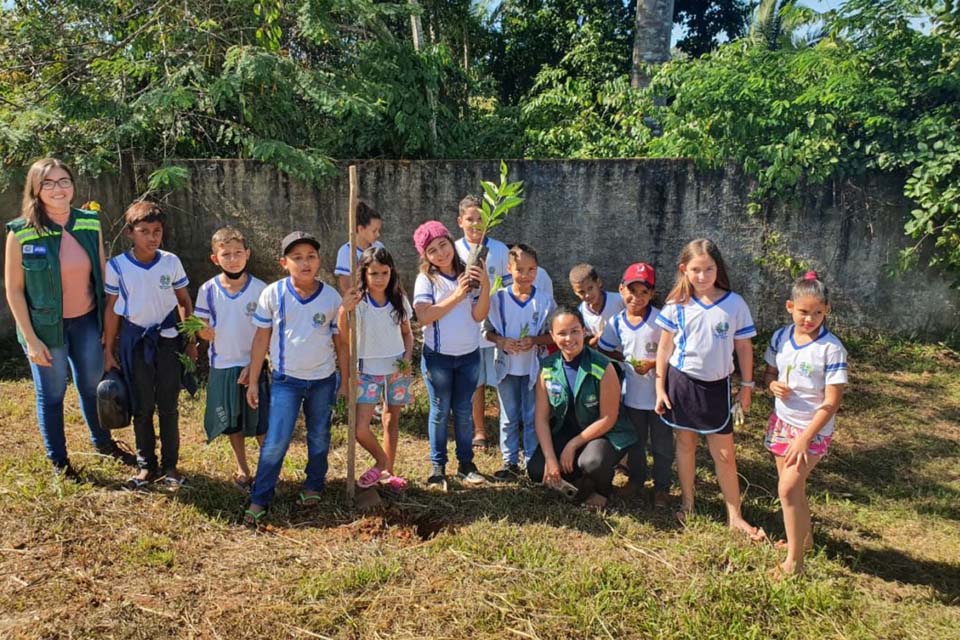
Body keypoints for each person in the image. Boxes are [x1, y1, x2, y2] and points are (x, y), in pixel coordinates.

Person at [4, 157, 134, 480]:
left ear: (73, 186)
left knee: (91, 386)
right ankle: (59, 461)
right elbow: (14, 290)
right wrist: (31, 339)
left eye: (64, 181)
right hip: (44, 329)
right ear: (35, 189)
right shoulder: (21, 233)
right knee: (52, 394)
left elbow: (102, 274)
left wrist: (109, 324)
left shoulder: (89, 222)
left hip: (86, 322)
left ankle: (102, 443)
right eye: (48, 183)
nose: (57, 189)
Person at [243, 231, 356, 525]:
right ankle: (260, 497)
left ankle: (314, 484)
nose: (305, 263)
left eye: (311, 257)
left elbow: (341, 343)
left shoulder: (331, 298)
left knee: (319, 435)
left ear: (319, 260)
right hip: (286, 381)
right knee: (276, 440)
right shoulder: (273, 294)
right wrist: (253, 380)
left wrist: (344, 381)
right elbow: (261, 338)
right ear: (284, 263)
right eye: (297, 258)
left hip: (323, 380)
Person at [653, 238, 763, 541]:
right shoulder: (676, 305)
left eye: (709, 269)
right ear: (684, 270)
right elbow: (664, 349)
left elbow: (744, 348)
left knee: (725, 454)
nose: (702, 276)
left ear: (718, 269)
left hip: (716, 388)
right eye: (696, 270)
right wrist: (660, 387)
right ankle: (687, 503)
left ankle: (735, 515)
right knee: (685, 445)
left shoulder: (734, 304)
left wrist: (747, 386)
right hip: (682, 384)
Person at [103, 201, 197, 490]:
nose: (152, 237)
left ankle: (170, 466)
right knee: (142, 406)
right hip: (135, 342)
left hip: (168, 340)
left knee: (168, 406)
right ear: (130, 232)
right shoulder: (117, 266)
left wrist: (190, 339)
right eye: (144, 231)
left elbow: (184, 300)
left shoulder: (170, 262)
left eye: (157, 231)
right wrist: (109, 350)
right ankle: (146, 466)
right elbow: (112, 309)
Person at [764, 271, 847, 576]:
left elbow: (832, 402)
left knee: (787, 489)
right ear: (790, 307)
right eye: (803, 312)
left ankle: (794, 563)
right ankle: (804, 541)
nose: (809, 319)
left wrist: (805, 438)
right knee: (794, 490)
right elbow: (769, 374)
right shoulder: (780, 338)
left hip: (812, 431)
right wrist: (772, 385)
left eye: (817, 313)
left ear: (827, 311)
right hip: (782, 423)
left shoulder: (831, 349)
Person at [528, 306, 638, 509]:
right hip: (566, 430)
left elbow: (608, 418)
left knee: (593, 462)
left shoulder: (603, 366)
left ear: (584, 331)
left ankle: (602, 490)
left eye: (575, 331)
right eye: (562, 333)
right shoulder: (547, 367)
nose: (569, 338)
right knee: (536, 469)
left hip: (604, 433)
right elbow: (541, 419)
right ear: (552, 336)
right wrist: (551, 459)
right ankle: (580, 482)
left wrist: (573, 445)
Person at [413, 220, 491, 488]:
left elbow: (479, 315)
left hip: (469, 356)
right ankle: (438, 468)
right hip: (439, 358)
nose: (441, 253)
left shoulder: (470, 271)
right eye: (432, 250)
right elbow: (424, 316)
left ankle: (466, 464)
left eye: (443, 245)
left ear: (451, 242)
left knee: (464, 410)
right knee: (440, 411)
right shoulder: (427, 279)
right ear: (425, 256)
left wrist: (485, 285)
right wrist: (457, 294)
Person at [194, 227, 268, 491]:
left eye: (238, 253)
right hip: (223, 365)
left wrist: (255, 365)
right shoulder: (207, 290)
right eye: (226, 254)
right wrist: (202, 331)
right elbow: (200, 324)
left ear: (248, 254)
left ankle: (267, 471)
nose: (233, 259)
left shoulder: (261, 290)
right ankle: (242, 468)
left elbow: (268, 332)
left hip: (254, 365)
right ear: (215, 258)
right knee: (232, 422)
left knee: (261, 421)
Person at [338, 246, 414, 492]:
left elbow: (407, 333)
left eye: (384, 273)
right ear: (364, 274)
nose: (380, 279)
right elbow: (345, 337)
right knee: (360, 428)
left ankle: (388, 472)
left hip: (396, 370)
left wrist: (407, 358)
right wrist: (344, 309)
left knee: (391, 419)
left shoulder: (398, 300)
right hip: (367, 371)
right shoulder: (358, 302)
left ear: (391, 272)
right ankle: (381, 461)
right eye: (374, 274)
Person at [598, 263, 672, 507]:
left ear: (652, 294)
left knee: (662, 444)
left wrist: (652, 364)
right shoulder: (617, 321)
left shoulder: (661, 320)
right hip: (632, 395)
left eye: (644, 292)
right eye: (631, 291)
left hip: (659, 395)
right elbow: (605, 348)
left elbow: (673, 352)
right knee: (636, 443)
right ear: (621, 289)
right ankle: (636, 481)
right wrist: (625, 360)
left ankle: (662, 487)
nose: (636, 298)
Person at [483, 244, 555, 480]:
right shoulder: (498, 299)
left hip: (534, 369)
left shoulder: (544, 301)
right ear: (509, 269)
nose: (525, 275)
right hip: (506, 369)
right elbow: (486, 331)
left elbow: (553, 334)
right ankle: (509, 462)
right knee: (509, 416)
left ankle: (532, 461)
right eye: (520, 269)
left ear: (537, 270)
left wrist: (534, 340)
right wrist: (501, 341)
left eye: (531, 269)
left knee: (532, 415)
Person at [455, 195, 509, 451]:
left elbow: (508, 287)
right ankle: (479, 430)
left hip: (495, 325)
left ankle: (506, 427)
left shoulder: (500, 250)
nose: (476, 224)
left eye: (481, 218)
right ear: (460, 221)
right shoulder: (454, 250)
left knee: (501, 378)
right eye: (470, 219)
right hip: (467, 326)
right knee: (474, 381)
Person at [569, 263, 624, 349]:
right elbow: (585, 343)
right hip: (604, 356)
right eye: (581, 292)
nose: (587, 295)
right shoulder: (580, 313)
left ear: (598, 282)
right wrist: (598, 338)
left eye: (590, 288)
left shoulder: (619, 300)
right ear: (575, 292)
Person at [334, 200, 384, 293]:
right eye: (374, 231)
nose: (378, 234)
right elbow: (345, 286)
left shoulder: (379, 247)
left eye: (379, 230)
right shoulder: (346, 251)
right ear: (360, 229)